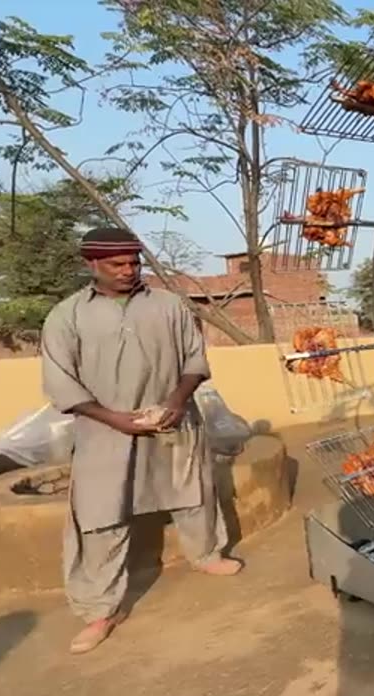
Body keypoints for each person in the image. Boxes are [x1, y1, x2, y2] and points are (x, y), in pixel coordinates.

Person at [41, 228, 242, 655]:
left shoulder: (169, 306)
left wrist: (176, 399)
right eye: (117, 264)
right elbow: (60, 382)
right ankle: (100, 610)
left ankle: (206, 555)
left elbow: (194, 359)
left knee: (193, 492)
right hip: (104, 431)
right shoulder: (67, 316)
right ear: (91, 265)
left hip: (172, 420)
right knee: (101, 516)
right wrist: (111, 417)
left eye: (134, 262)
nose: (128, 270)